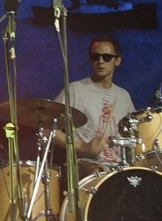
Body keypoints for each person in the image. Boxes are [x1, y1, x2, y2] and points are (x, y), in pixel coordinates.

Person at [53, 34, 136, 176]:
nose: (100, 61)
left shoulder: (124, 96)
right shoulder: (75, 89)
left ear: (117, 61)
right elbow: (49, 128)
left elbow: (135, 135)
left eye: (107, 57)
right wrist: (82, 147)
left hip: (119, 169)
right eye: (95, 57)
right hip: (87, 168)